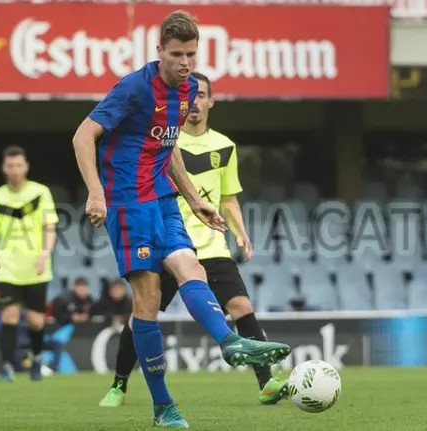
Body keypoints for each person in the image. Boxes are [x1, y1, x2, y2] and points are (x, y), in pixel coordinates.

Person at [72, 10, 290, 428]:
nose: (184, 61)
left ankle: (230, 342)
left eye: (190, 53)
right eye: (176, 54)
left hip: (164, 198)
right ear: (160, 52)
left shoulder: (187, 91)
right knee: (148, 301)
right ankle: (162, 406)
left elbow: (168, 147)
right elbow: (83, 135)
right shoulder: (134, 87)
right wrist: (95, 191)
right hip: (126, 201)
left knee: (192, 267)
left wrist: (194, 200)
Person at [0, 145, 58, 382]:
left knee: (36, 322)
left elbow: (50, 227)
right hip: (7, 268)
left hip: (36, 267)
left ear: (26, 166)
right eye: (10, 165)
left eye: (18, 165)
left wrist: (45, 254)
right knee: (9, 317)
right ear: (4, 168)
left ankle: (36, 360)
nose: (14, 170)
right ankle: (7, 367)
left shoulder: (41, 192)